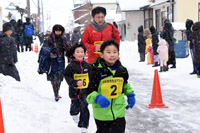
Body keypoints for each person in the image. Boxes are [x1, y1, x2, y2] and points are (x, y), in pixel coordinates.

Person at [87, 40, 136, 133]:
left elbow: (125, 84)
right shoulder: (96, 71)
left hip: (119, 112)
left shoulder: (122, 70)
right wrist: (97, 98)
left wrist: (130, 94)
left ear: (118, 53)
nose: (112, 55)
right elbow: (89, 92)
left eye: (115, 52)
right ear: (101, 54)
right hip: (102, 114)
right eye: (108, 52)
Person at [63, 43, 91, 133]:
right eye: (78, 52)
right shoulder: (70, 66)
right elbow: (67, 76)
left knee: (84, 108)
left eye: (82, 52)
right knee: (75, 108)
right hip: (74, 92)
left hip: (85, 93)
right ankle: (74, 114)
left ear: (85, 53)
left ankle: (84, 127)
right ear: (74, 54)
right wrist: (75, 83)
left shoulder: (88, 66)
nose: (80, 53)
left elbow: (92, 77)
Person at [38, 24, 69, 101]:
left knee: (60, 77)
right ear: (54, 31)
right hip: (52, 61)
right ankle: (56, 93)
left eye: (59, 31)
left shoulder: (64, 39)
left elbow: (68, 49)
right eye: (56, 30)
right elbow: (44, 49)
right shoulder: (49, 39)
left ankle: (57, 91)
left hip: (61, 60)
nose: (58, 32)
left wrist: (69, 58)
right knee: (53, 77)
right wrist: (51, 51)